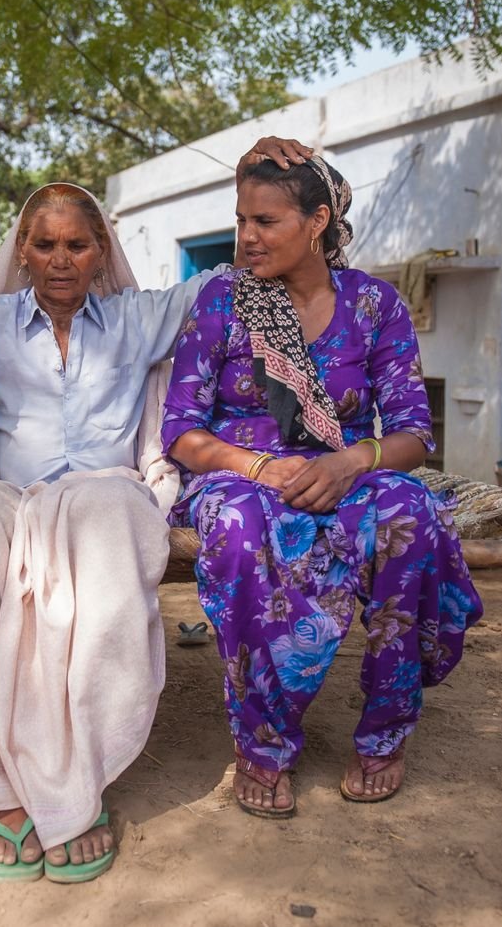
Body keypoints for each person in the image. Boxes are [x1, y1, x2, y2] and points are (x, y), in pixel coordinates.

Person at [0, 135, 312, 884]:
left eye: (78, 244)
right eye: (45, 244)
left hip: (102, 495)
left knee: (103, 507)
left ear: (101, 251)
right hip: (8, 498)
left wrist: (286, 172)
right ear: (22, 250)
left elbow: (250, 259)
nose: (61, 259)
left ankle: (71, 784)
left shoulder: (138, 317)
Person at [161, 156, 483, 818]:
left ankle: (385, 727)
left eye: (265, 220)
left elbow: (413, 434)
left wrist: (352, 461)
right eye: (240, 219)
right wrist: (257, 467)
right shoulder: (222, 301)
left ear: (316, 222)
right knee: (239, 524)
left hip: (344, 471)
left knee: (410, 509)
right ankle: (264, 741)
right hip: (241, 474)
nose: (245, 236)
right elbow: (181, 431)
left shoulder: (373, 305)